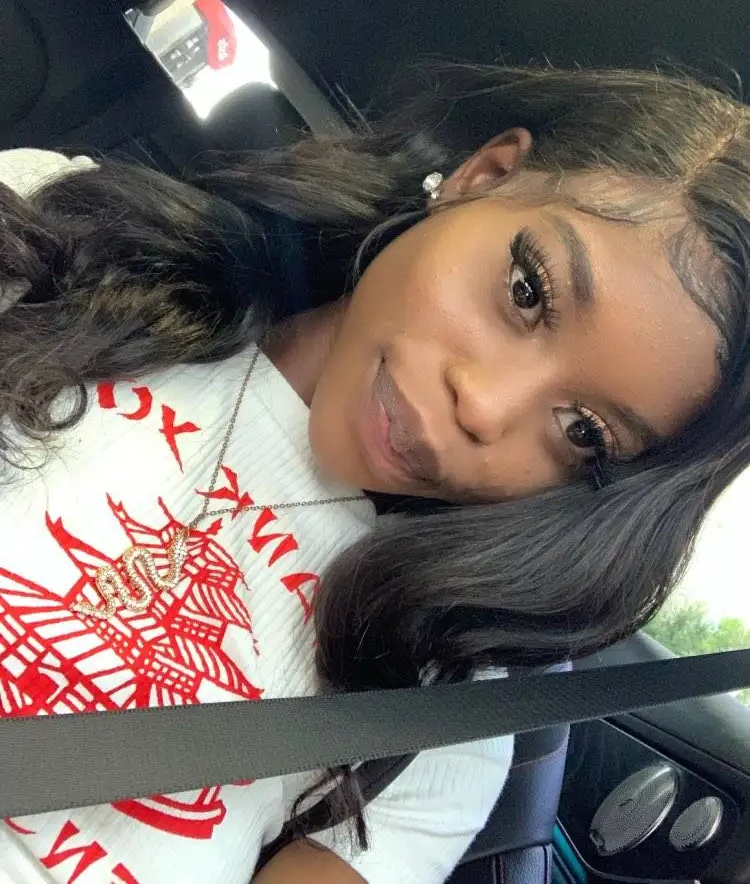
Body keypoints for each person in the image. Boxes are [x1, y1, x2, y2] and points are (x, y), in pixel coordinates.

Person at [0, 62, 748, 884]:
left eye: (582, 431)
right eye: (526, 290)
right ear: (481, 176)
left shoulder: (444, 706)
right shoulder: (70, 238)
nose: (485, 407)